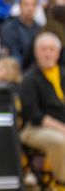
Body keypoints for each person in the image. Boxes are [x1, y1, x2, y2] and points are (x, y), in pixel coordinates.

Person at [19, 33, 65, 187]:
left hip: (61, 126)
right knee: (60, 141)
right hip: (34, 129)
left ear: (58, 53)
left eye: (52, 49)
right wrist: (62, 128)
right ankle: (62, 180)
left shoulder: (63, 74)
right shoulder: (29, 79)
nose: (48, 54)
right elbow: (35, 115)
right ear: (36, 52)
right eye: (44, 49)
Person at [0, 0, 42, 70]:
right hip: (17, 70)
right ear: (20, 6)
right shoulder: (9, 27)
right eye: (26, 5)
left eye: (33, 5)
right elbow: (13, 55)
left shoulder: (40, 29)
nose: (30, 8)